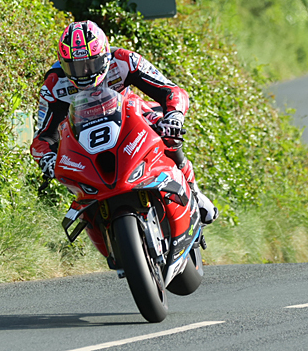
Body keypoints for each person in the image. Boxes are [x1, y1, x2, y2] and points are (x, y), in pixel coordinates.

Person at [30, 20, 218, 225]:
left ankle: (193, 191)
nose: (83, 73)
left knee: (167, 130)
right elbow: (43, 136)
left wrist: (174, 116)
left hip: (129, 116)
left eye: (90, 64)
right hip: (83, 132)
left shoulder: (123, 60)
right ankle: (94, 218)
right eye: (73, 67)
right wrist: (47, 159)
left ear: (104, 55)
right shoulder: (54, 83)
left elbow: (171, 90)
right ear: (62, 62)